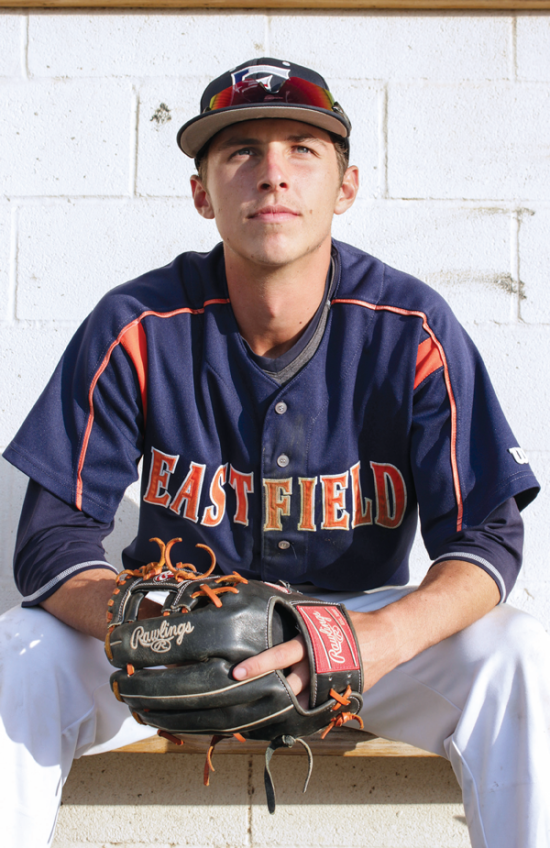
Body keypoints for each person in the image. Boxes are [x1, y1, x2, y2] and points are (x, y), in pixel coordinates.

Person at [1, 57, 549, 848]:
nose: (272, 174)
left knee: (519, 653)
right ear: (202, 193)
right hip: (177, 634)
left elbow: (487, 541)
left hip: (359, 630)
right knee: (23, 651)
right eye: (240, 152)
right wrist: (152, 623)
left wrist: (374, 640)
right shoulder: (134, 325)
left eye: (302, 148)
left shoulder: (413, 327)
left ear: (346, 186)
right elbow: (53, 541)